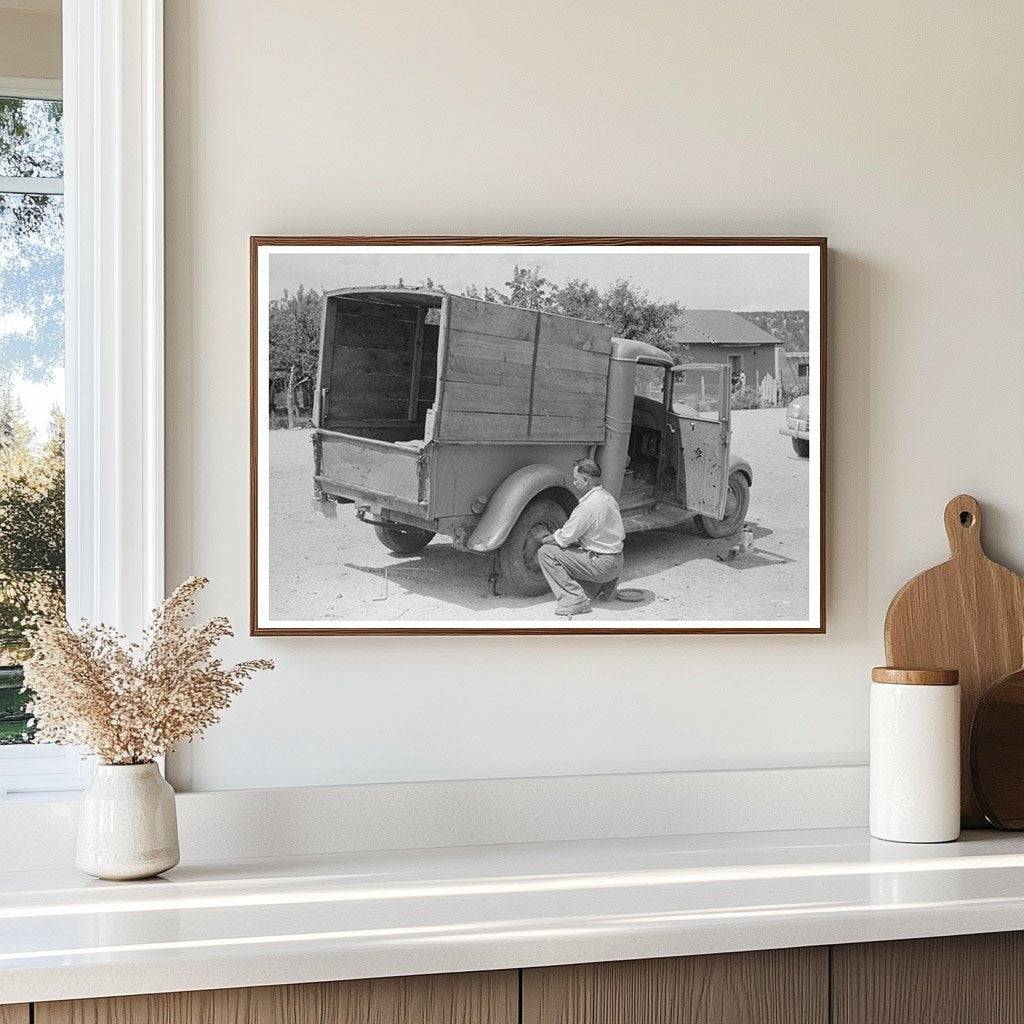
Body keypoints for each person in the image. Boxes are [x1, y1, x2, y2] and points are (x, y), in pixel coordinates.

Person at [537, 459, 625, 617]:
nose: (574, 482)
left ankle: (575, 600)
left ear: (586, 480)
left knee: (546, 552)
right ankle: (606, 587)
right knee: (582, 548)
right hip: (617, 562)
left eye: (576, 479)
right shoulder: (608, 498)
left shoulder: (586, 507)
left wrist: (541, 538)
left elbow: (563, 539)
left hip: (601, 565)